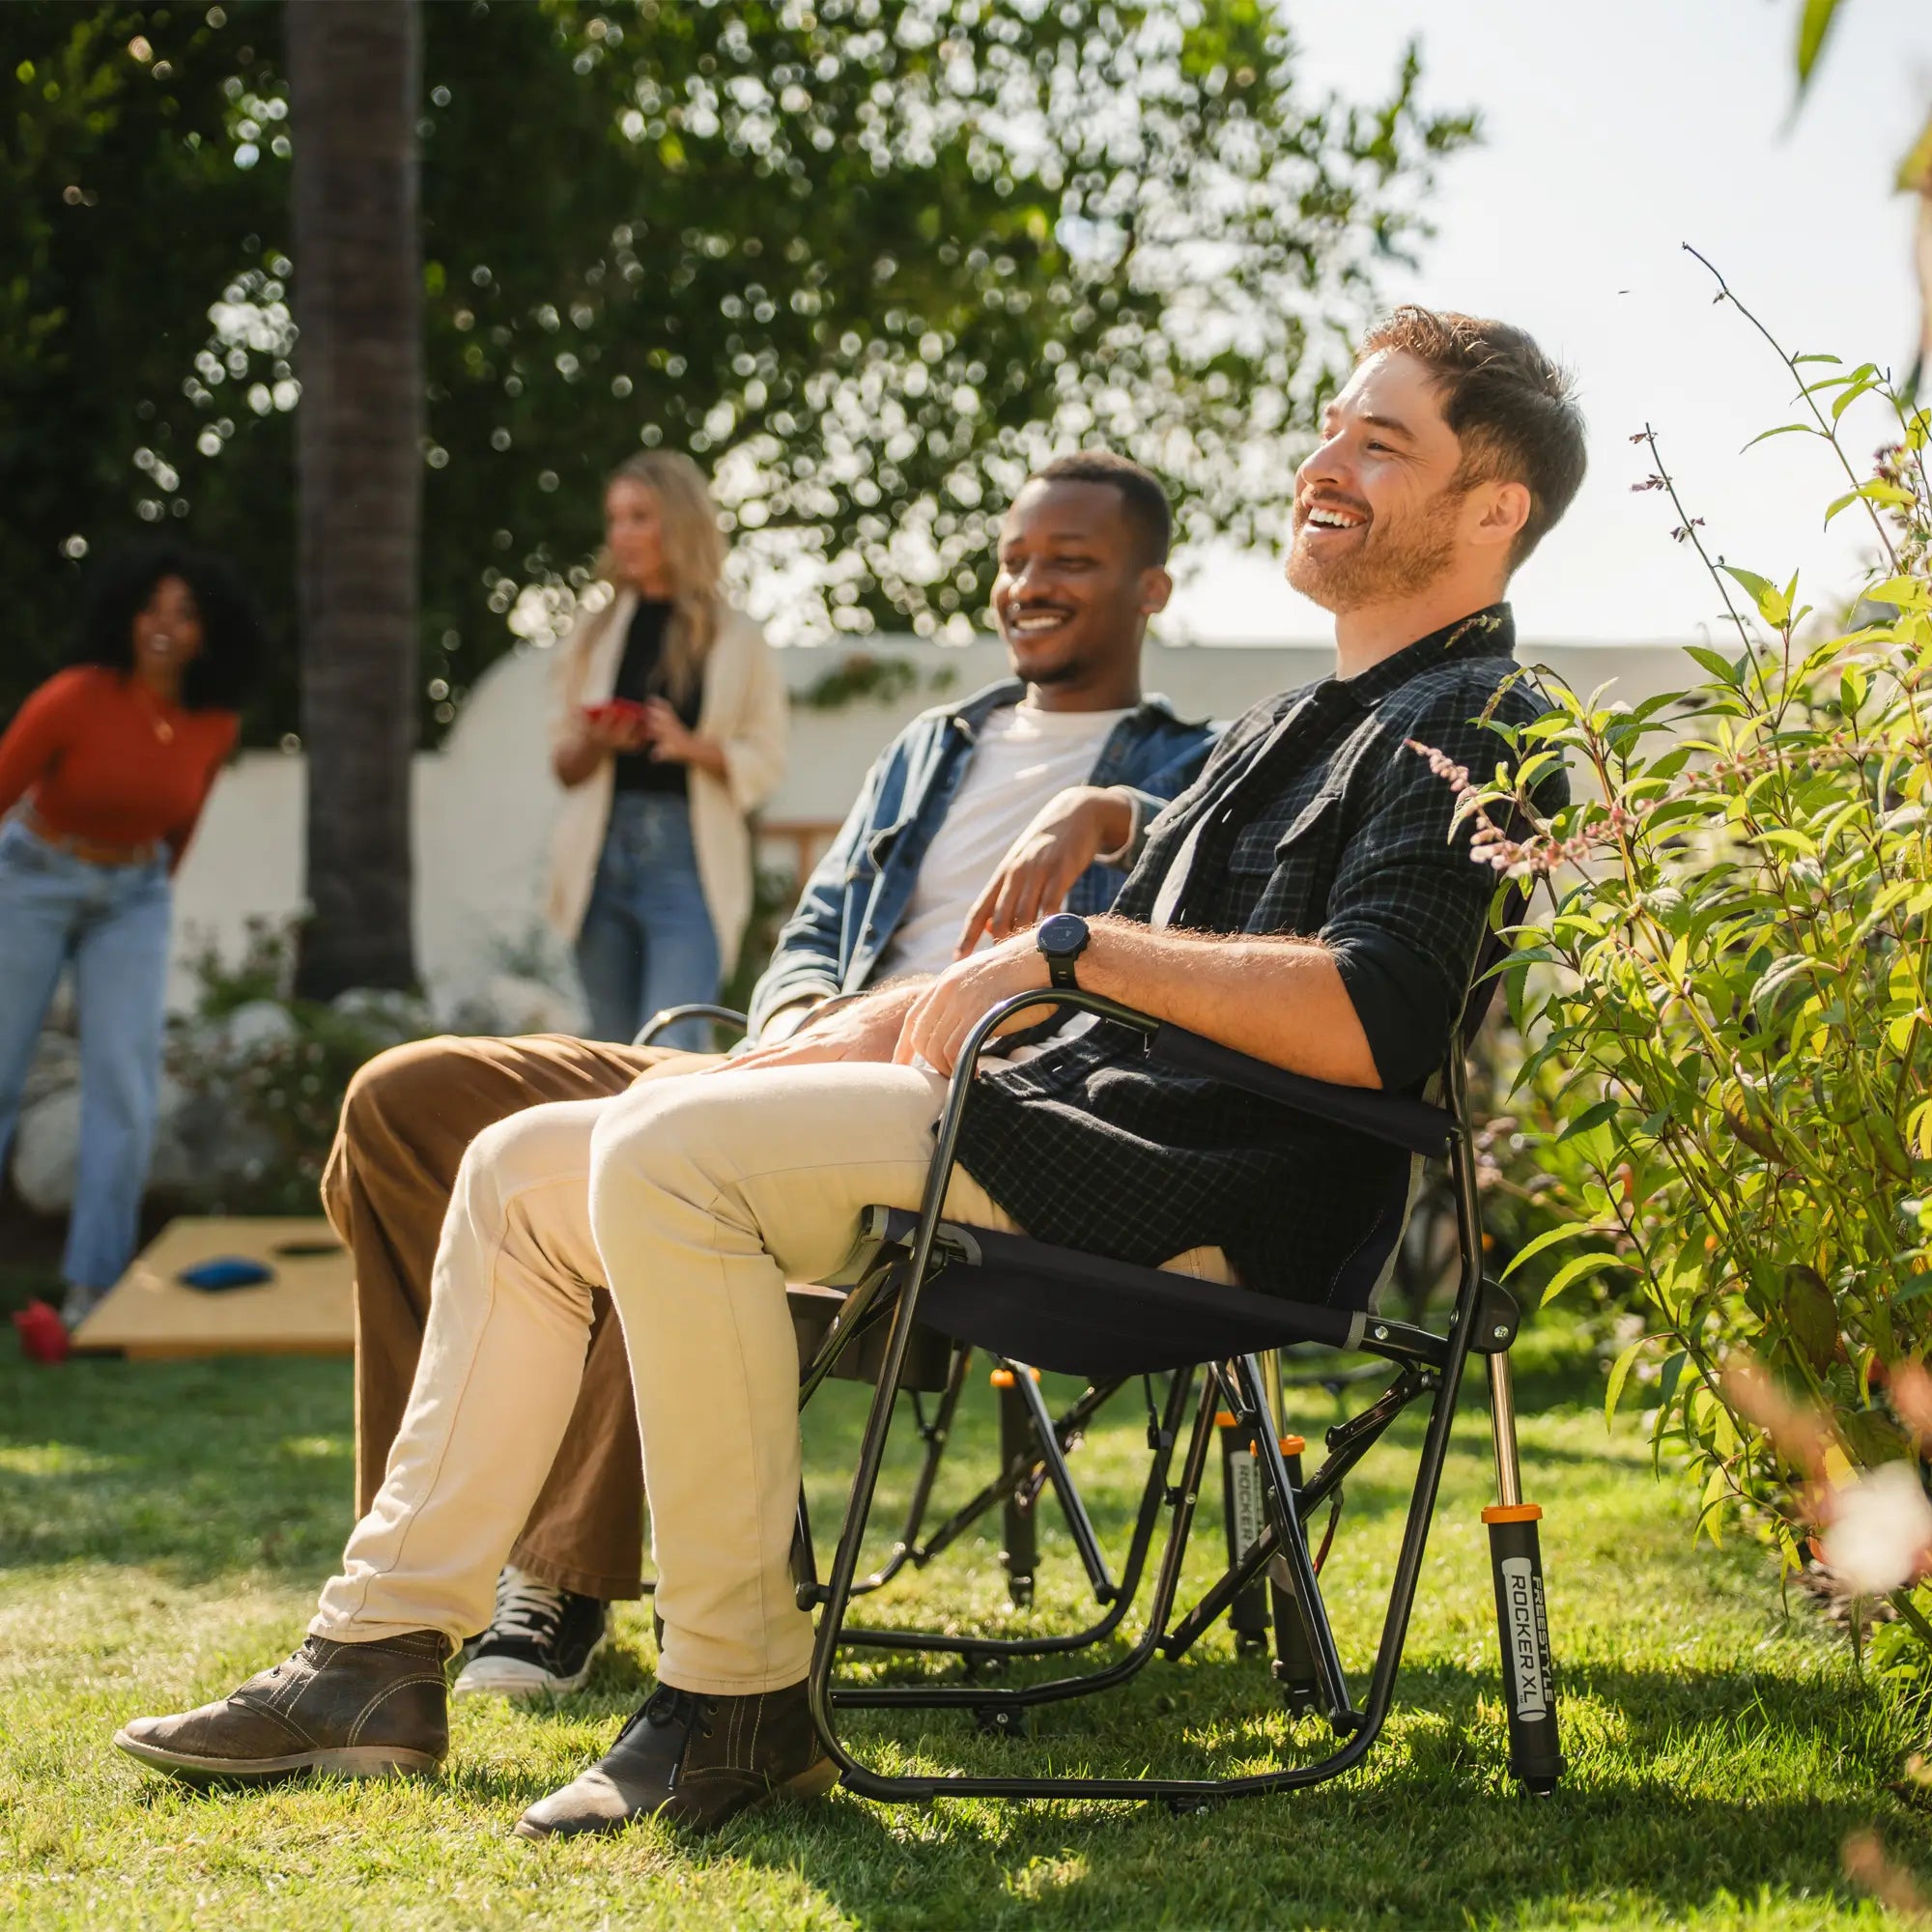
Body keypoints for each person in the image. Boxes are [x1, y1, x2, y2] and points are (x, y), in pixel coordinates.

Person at [115, 307, 1587, 1847]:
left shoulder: (1478, 716)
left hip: (1197, 1185)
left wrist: (1072, 949)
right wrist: (863, 1008)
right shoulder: (1295, 723)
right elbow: (1056, 948)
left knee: (667, 1165)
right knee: (528, 1163)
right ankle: (374, 1658)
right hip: (1050, 1120)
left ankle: (738, 1697)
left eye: (1381, 441)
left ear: (1494, 509)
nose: (1323, 461)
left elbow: (1379, 1013)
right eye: (1334, 426)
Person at [323, 451, 1214, 1698]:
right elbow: (822, 918)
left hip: (949, 1122)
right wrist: (797, 1014)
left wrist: (1107, 804)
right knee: (403, 1103)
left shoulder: (1190, 766)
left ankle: (553, 1578)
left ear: (1151, 589)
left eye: (1072, 560)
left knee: (671, 1150)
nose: (1030, 583)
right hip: (788, 1053)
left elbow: (1204, 915)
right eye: (1015, 558)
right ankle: (423, 1565)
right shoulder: (929, 748)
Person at [0, 543, 261, 1327]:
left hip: (133, 896)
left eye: (185, 613)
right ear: (124, 615)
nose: (164, 625)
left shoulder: (212, 723)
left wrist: (136, 905)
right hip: (34, 876)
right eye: (152, 607)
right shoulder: (75, 696)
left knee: (125, 1088)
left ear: (208, 633)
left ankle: (93, 1290)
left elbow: (180, 831)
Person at [549, 449, 788, 1049]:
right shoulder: (594, 633)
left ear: (678, 522)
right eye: (615, 519)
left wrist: (691, 748)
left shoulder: (738, 637)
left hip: (689, 863)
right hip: (599, 861)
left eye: (639, 517)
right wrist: (597, 742)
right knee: (606, 1054)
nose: (622, 534)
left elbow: (768, 758)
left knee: (672, 1047)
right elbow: (563, 765)